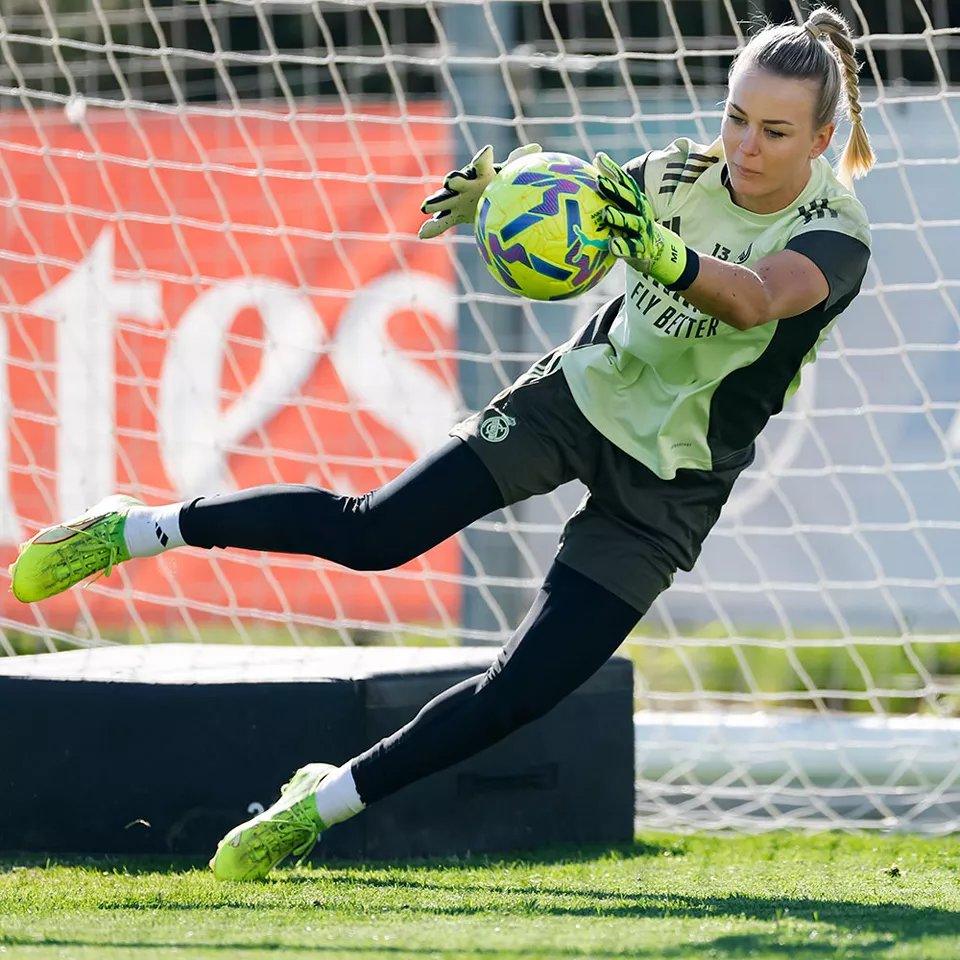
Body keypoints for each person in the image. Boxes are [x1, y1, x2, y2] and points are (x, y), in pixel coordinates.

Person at [9, 7, 873, 881]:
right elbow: (571, 197)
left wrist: (656, 250)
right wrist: (498, 201)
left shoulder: (837, 233)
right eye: (735, 118)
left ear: (822, 137)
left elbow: (756, 299)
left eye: (773, 131)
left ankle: (317, 803)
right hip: (576, 401)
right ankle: (132, 529)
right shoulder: (683, 171)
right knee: (375, 532)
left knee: (524, 692)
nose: (746, 146)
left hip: (674, 482)